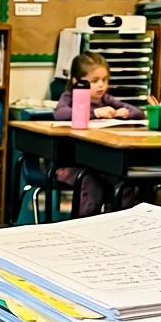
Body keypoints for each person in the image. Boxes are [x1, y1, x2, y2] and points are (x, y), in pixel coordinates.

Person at [52, 52, 144, 215]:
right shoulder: (70, 97)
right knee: (92, 185)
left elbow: (138, 112)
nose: (101, 85)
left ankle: (120, 223)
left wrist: (124, 112)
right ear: (76, 81)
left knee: (126, 183)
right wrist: (95, 113)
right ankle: (83, 226)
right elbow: (60, 114)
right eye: (94, 81)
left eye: (105, 80)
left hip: (99, 162)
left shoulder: (106, 99)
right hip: (71, 163)